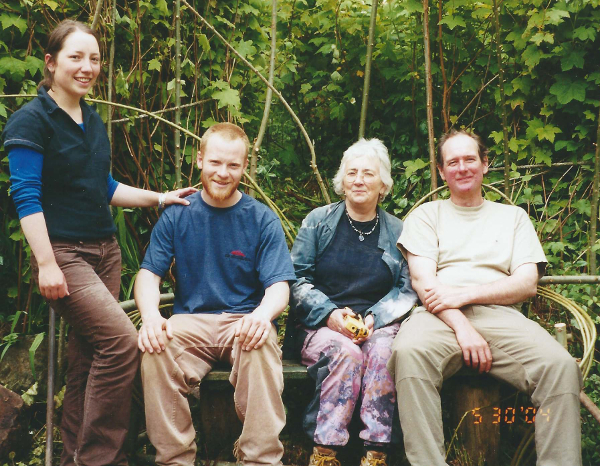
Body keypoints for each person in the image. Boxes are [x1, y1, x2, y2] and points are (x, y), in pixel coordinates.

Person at [2, 20, 196, 466]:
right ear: (50, 63)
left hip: (104, 252)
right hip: (65, 255)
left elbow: (103, 187)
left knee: (89, 359)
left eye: (93, 58)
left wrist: (159, 198)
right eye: (75, 57)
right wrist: (47, 263)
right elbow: (26, 196)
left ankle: (75, 456)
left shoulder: (90, 118)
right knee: (123, 344)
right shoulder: (32, 120)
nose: (86, 67)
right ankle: (101, 459)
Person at [388, 130, 583, 466]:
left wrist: (464, 294)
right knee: (409, 353)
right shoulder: (425, 216)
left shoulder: (513, 218)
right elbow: (424, 284)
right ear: (440, 170)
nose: (462, 168)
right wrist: (463, 327)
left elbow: (525, 284)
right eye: (453, 162)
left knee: (560, 367)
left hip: (502, 316)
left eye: (469, 159)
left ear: (485, 163)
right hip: (439, 318)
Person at [134, 122, 296, 466]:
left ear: (245, 167)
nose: (223, 173)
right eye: (215, 163)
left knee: (261, 341)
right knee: (154, 347)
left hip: (243, 322)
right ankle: (175, 458)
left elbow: (279, 287)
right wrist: (150, 318)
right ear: (200, 160)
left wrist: (261, 317)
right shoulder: (178, 213)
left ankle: (259, 459)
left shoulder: (261, 219)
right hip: (190, 323)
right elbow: (149, 274)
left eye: (233, 165)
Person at [284, 139, 417, 466]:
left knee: (384, 352)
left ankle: (376, 452)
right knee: (345, 353)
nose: (359, 180)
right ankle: (325, 451)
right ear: (342, 181)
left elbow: (407, 287)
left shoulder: (397, 231)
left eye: (368, 174)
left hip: (377, 325)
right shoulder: (318, 222)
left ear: (383, 184)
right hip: (319, 325)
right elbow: (294, 278)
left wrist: (374, 317)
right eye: (352, 173)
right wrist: (330, 314)